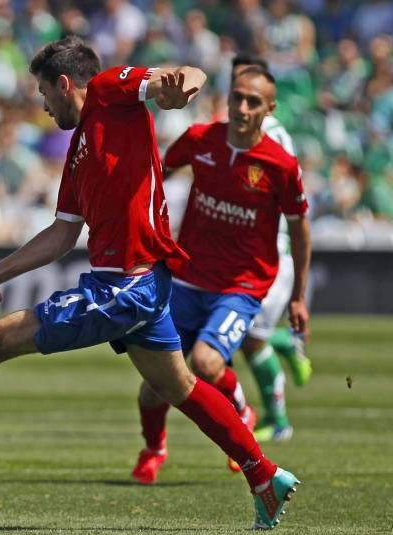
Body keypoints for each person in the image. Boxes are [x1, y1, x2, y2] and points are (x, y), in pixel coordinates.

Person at [0, 36, 300, 531]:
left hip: (129, 284)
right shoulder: (79, 151)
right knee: (180, 386)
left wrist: (179, 86)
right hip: (133, 285)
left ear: (65, 85)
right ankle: (265, 477)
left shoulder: (107, 90)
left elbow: (185, 74)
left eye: (43, 93)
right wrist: (0, 271)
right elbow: (63, 233)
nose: (41, 104)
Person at [130, 63, 311, 485]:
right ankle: (154, 448)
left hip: (241, 286)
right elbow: (156, 174)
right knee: (153, 384)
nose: (243, 107)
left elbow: (301, 230)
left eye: (253, 102)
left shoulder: (280, 165)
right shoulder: (200, 139)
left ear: (270, 109)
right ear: (227, 98)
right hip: (187, 277)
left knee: (206, 362)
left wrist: (299, 295)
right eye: (237, 97)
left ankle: (241, 411)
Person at [230, 54, 312, 443]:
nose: (240, 104)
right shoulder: (232, 134)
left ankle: (279, 422)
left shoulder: (271, 136)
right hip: (241, 249)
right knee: (240, 335)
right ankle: (289, 345)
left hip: (270, 249)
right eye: (235, 93)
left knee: (249, 337)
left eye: (249, 95)